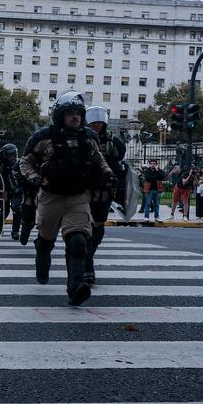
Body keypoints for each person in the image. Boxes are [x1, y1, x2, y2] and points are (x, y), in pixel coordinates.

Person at [19, 92, 114, 306]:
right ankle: (42, 259)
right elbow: (25, 163)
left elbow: (98, 159)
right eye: (70, 113)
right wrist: (34, 179)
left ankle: (76, 288)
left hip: (78, 197)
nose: (75, 118)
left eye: (78, 113)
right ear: (60, 115)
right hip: (50, 197)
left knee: (79, 241)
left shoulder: (88, 138)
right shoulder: (43, 137)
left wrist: (108, 174)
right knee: (46, 241)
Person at [84, 105, 126, 285]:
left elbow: (120, 164)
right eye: (93, 121)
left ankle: (88, 258)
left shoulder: (113, 142)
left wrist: (120, 192)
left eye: (99, 121)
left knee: (98, 228)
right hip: (84, 189)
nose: (96, 124)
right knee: (83, 227)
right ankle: (86, 264)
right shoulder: (82, 138)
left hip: (104, 190)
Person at [0, 143, 22, 240]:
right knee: (5, 210)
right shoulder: (1, 166)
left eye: (13, 155)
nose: (11, 157)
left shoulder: (19, 163)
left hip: (16, 190)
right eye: (9, 155)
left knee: (17, 209)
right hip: (5, 190)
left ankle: (15, 231)